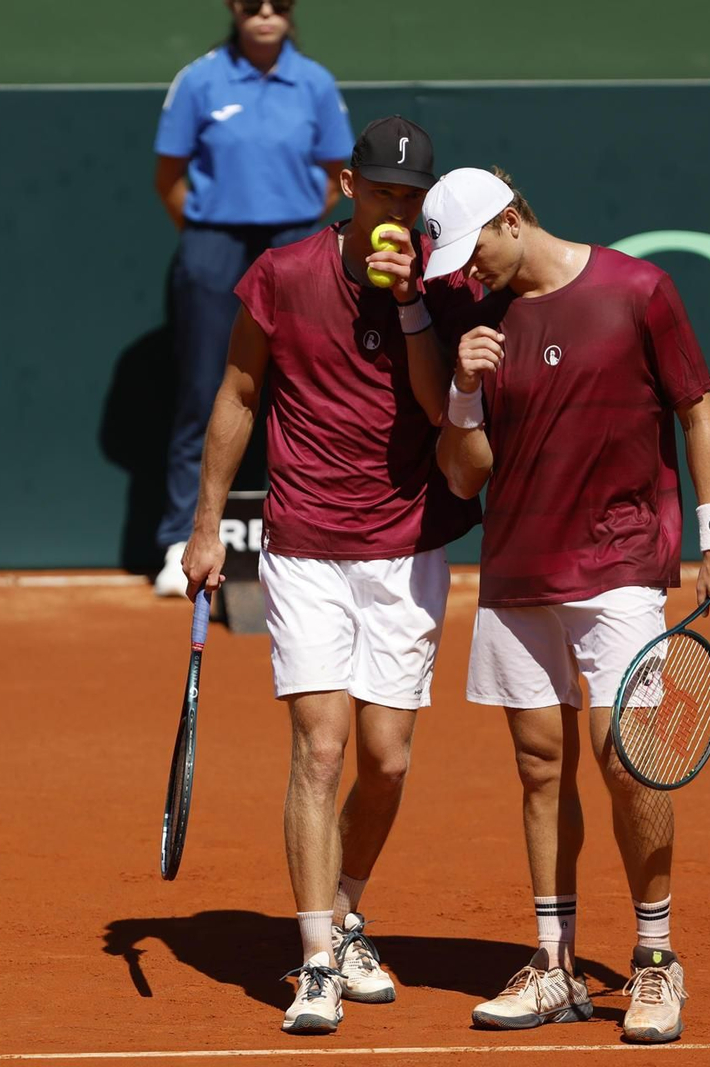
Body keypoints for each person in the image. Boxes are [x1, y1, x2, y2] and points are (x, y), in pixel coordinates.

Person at [425, 166, 710, 1044]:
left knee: (627, 761)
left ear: (511, 217)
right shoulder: (478, 325)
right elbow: (464, 475)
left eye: (473, 249)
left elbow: (699, 410)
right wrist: (461, 393)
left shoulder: (639, 289)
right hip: (516, 576)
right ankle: (556, 962)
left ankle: (653, 960)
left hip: (617, 571)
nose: (466, 272)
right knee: (538, 766)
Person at [179, 116, 481, 1035]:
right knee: (320, 746)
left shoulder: (442, 282)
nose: (398, 206)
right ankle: (316, 958)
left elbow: (440, 409)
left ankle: (346, 912)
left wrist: (412, 303)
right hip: (304, 541)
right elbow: (237, 393)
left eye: (412, 195)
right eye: (384, 190)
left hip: (406, 543)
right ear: (350, 185)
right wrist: (203, 527)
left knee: (386, 758)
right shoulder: (280, 278)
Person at [151, 0, 352, 597]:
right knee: (202, 389)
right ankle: (176, 541)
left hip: (292, 239)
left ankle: (321, 536)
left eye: (279, 2)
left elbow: (335, 172)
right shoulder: (199, 79)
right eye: (250, 2)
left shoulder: (314, 82)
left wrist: (288, 223)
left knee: (308, 388)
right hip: (214, 243)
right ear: (233, 9)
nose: (264, 11)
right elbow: (169, 178)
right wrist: (212, 227)